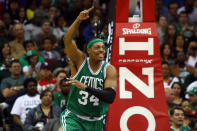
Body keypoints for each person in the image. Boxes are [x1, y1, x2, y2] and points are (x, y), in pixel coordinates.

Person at [60, 7, 117, 131]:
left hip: (96, 121)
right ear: (88, 51)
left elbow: (110, 97)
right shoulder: (80, 60)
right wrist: (78, 20)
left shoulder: (109, 69)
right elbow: (67, 40)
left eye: (103, 47)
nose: (102, 50)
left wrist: (85, 87)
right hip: (74, 118)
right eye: (97, 47)